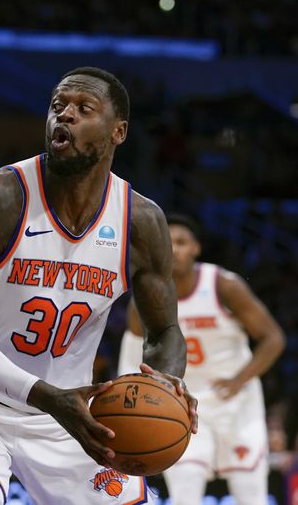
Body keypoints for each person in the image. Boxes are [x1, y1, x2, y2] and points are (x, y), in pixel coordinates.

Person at [0, 66, 198, 505]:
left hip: (67, 414)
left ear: (118, 132)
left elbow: (165, 331)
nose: (65, 115)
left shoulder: (139, 220)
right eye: (58, 106)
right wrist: (45, 396)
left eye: (83, 108)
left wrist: (167, 384)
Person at [118, 213, 285, 505]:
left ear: (196, 247)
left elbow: (273, 338)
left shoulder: (224, 284)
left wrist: (239, 380)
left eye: (182, 242)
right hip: (183, 402)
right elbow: (132, 351)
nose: (175, 249)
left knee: (251, 493)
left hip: (235, 399)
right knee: (185, 493)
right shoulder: (146, 296)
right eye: (168, 243)